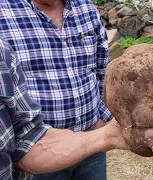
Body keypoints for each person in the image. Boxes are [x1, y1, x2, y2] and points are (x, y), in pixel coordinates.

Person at [0, 0, 113, 179]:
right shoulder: (4, 13)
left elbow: (104, 69)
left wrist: (101, 118)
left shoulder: (86, 8)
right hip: (37, 152)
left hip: (91, 141)